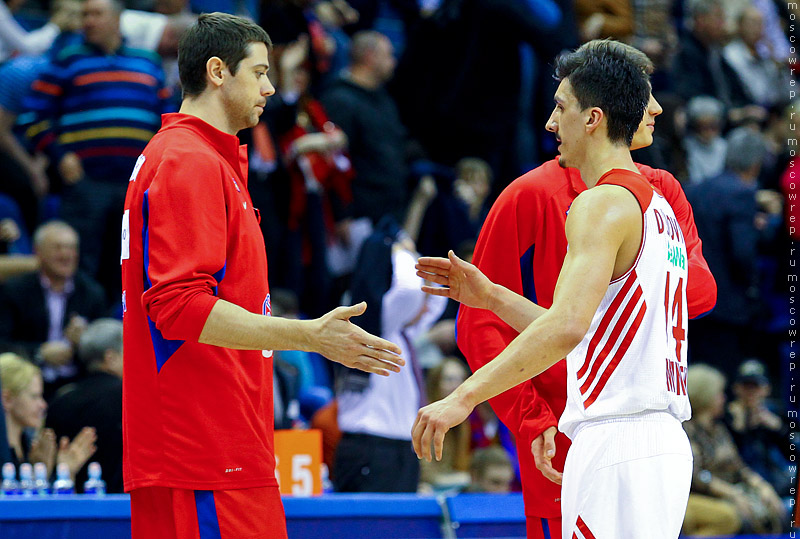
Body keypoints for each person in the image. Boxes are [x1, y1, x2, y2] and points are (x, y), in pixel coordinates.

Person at [120, 13, 403, 539]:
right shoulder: (190, 162)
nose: (271, 87)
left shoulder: (192, 157)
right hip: (204, 449)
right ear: (217, 72)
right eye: (260, 72)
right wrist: (310, 335)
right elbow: (178, 306)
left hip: (205, 446)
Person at [413, 40, 693, 538]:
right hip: (658, 443)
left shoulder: (600, 202)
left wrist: (464, 397)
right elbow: (594, 330)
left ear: (592, 118)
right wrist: (493, 297)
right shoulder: (661, 206)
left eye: (561, 106)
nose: (549, 122)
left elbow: (566, 328)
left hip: (616, 443)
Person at [0, 221, 107, 399]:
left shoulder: (92, 293)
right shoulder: (14, 291)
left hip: (78, 385)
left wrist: (85, 340)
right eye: (58, 248)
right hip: (26, 381)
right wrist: (39, 353)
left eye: (72, 248)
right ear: (38, 251)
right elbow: (2, 342)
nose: (66, 255)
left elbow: (105, 350)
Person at [683, 364, 787, 535]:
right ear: (704, 396)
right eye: (719, 394)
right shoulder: (686, 430)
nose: (724, 398)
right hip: (700, 497)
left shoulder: (718, 430)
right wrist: (732, 494)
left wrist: (762, 486)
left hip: (728, 493)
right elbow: (696, 476)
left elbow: (739, 467)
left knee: (774, 511)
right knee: (732, 517)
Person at [46, 319, 124, 493]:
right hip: (123, 504)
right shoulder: (130, 398)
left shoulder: (61, 399)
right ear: (110, 357)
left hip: (69, 503)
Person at [0, 352, 96, 479]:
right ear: (7, 399)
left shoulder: (32, 448)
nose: (43, 405)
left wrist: (66, 474)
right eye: (34, 397)